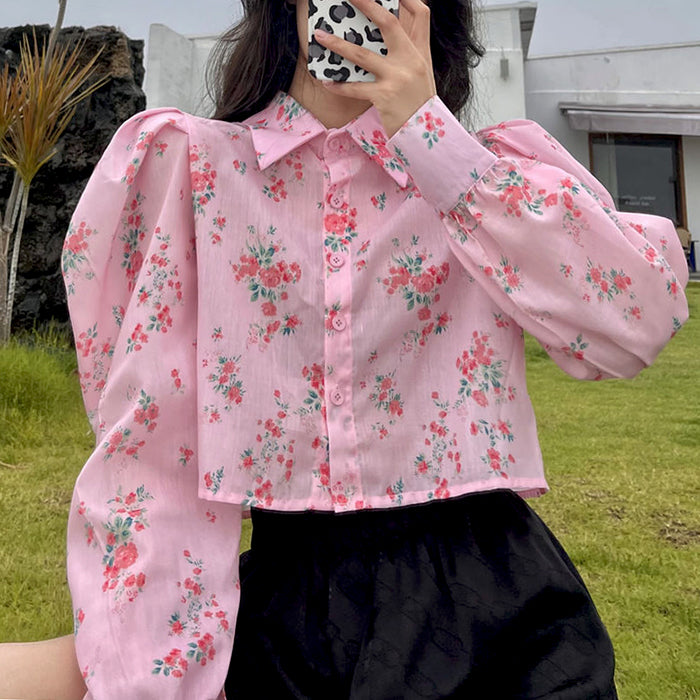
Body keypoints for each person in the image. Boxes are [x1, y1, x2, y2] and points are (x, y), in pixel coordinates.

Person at [0, 0, 690, 698]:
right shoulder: (198, 172)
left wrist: (435, 143)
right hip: (292, 615)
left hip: (498, 610)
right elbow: (153, 464)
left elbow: (637, 321)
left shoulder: (485, 178)